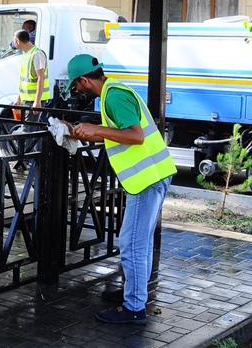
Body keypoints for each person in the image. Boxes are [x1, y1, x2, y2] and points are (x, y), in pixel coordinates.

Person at [65, 54, 176, 326]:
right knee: (141, 241)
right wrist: (90, 131)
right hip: (152, 177)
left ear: (84, 80)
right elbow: (121, 134)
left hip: (147, 180)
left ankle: (134, 308)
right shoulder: (114, 92)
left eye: (76, 86)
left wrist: (96, 129)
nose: (77, 91)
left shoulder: (113, 96)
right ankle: (134, 293)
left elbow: (135, 136)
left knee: (132, 243)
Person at [13, 30, 47, 113]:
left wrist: (37, 101)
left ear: (18, 41)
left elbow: (41, 77)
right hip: (28, 99)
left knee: (29, 126)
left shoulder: (37, 54)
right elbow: (23, 81)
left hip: (33, 100)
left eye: (14, 40)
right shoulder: (26, 54)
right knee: (29, 125)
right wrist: (19, 98)